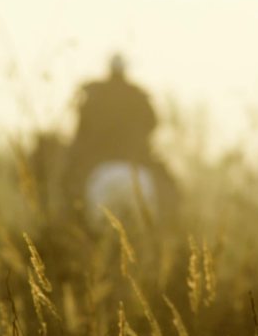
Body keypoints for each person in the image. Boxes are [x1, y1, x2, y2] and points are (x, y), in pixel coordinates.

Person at [61, 54, 177, 220]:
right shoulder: (138, 95)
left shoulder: (94, 94)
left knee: (68, 189)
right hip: (136, 156)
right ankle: (172, 226)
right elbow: (153, 124)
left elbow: (81, 130)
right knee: (170, 190)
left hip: (96, 156)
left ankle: (64, 226)